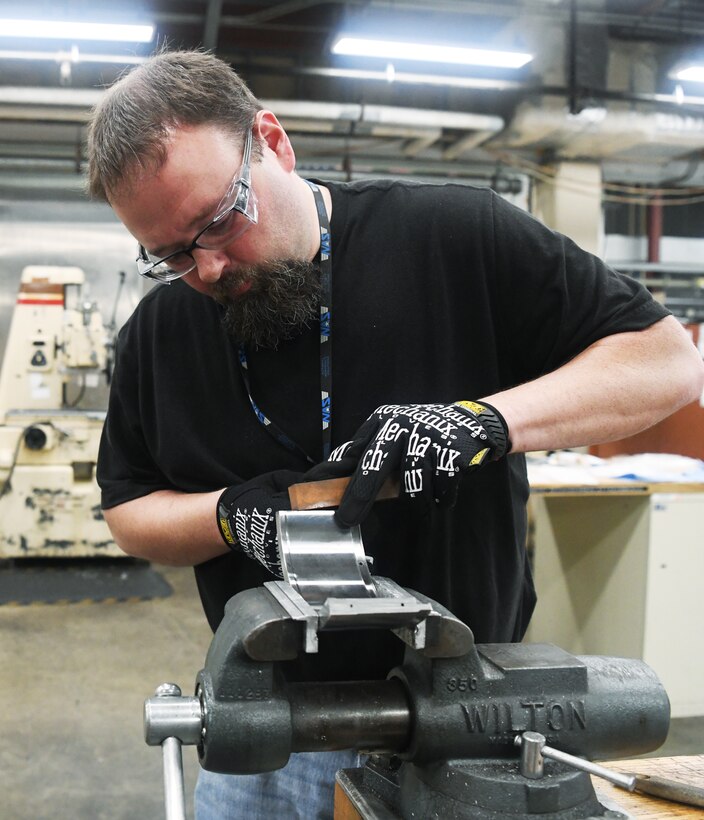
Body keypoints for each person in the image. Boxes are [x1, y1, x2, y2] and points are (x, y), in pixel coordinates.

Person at [87, 50, 704, 820]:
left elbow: (666, 361)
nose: (206, 267)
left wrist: (482, 424)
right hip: (265, 729)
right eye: (170, 254)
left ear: (271, 142)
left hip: (472, 725)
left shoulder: (453, 237)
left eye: (218, 221)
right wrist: (227, 516)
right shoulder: (159, 333)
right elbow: (128, 509)